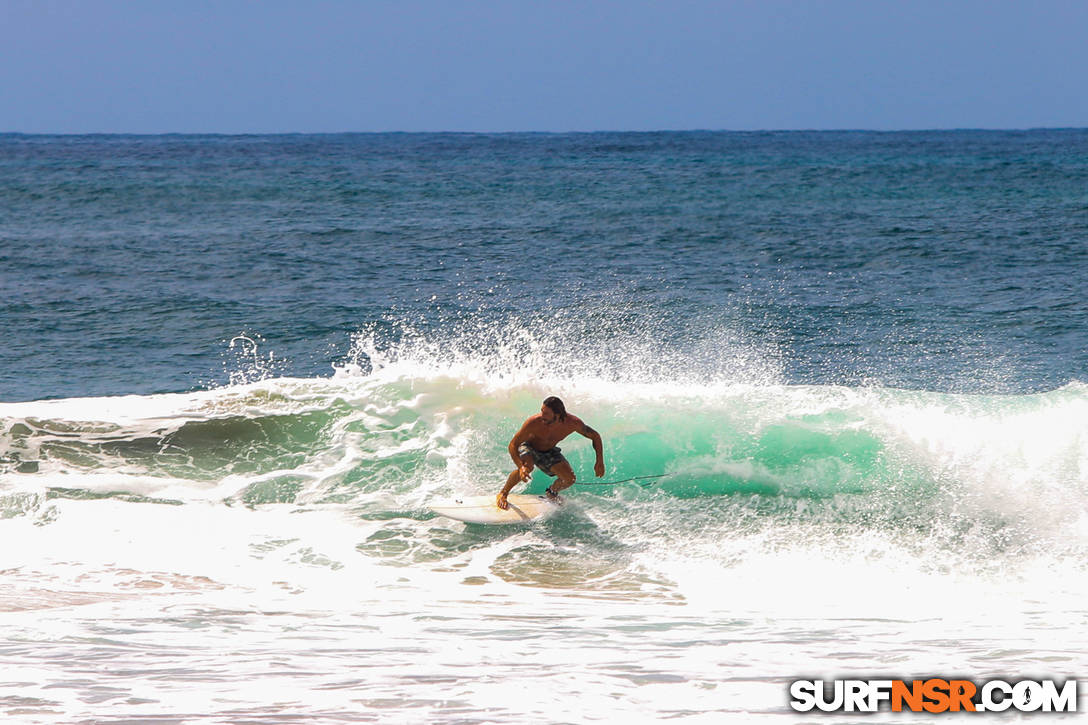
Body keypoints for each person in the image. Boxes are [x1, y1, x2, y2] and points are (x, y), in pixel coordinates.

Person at [496, 396, 605, 510]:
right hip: (529, 446)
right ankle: (503, 493)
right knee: (527, 467)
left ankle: (552, 493)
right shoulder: (534, 422)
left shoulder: (573, 423)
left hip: (548, 450)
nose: (542, 415)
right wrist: (520, 467)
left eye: (546, 413)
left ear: (557, 415)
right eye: (542, 411)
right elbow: (513, 444)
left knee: (569, 479)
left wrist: (599, 461)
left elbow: (595, 436)